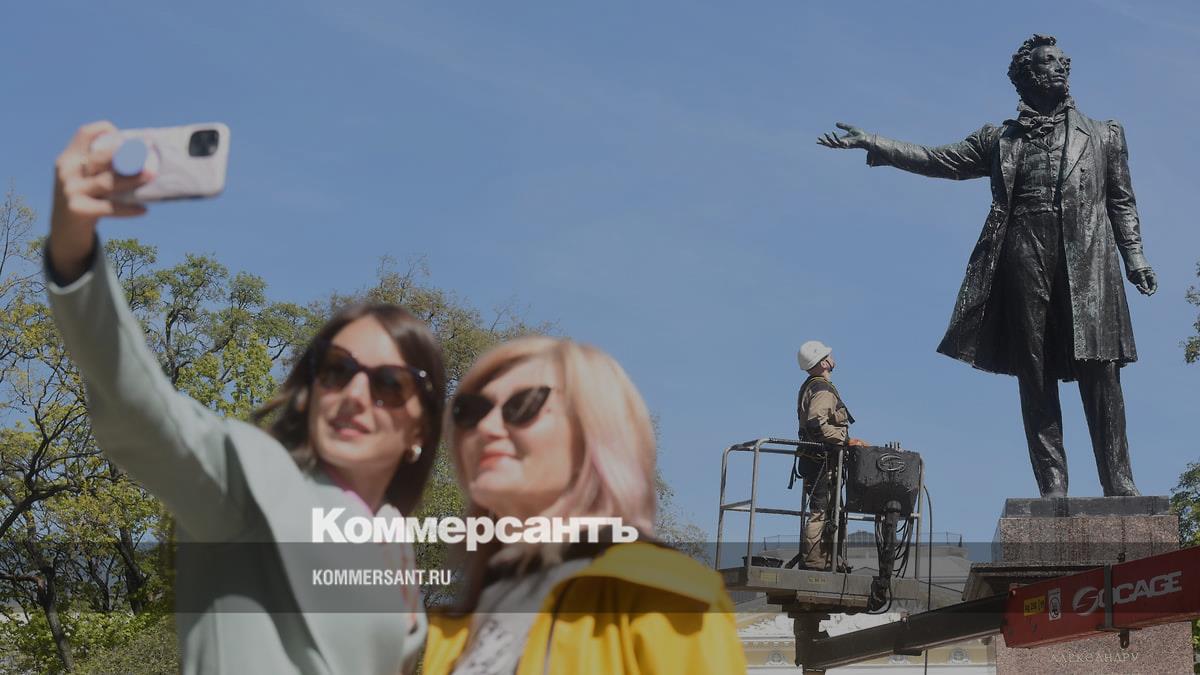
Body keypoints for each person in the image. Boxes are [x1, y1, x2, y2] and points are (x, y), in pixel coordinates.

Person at [46, 121, 446, 674]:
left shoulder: (397, 550)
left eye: (390, 384)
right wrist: (74, 257)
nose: (356, 395)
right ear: (311, 391)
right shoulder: (253, 479)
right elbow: (140, 409)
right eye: (337, 370)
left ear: (422, 427)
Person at [817, 34, 1154, 498]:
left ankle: (1119, 483)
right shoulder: (999, 139)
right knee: (1034, 373)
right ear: (1027, 76)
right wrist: (875, 142)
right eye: (1049, 62)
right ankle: (1053, 486)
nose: (1061, 68)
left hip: (1090, 262)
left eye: (1063, 62)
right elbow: (938, 159)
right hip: (1023, 254)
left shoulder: (1104, 134)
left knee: (1101, 371)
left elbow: (1121, 200)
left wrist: (1135, 256)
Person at [421, 336, 746, 674]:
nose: (486, 427)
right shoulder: (454, 626)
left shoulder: (670, 596)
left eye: (523, 405)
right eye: (470, 411)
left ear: (594, 431)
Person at [794, 340, 864, 571]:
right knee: (821, 511)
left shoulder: (810, 386)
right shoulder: (822, 389)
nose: (832, 358)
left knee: (827, 510)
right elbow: (817, 424)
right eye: (828, 355)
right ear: (823, 362)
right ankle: (816, 562)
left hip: (814, 459)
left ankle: (828, 559)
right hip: (822, 461)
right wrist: (845, 440)